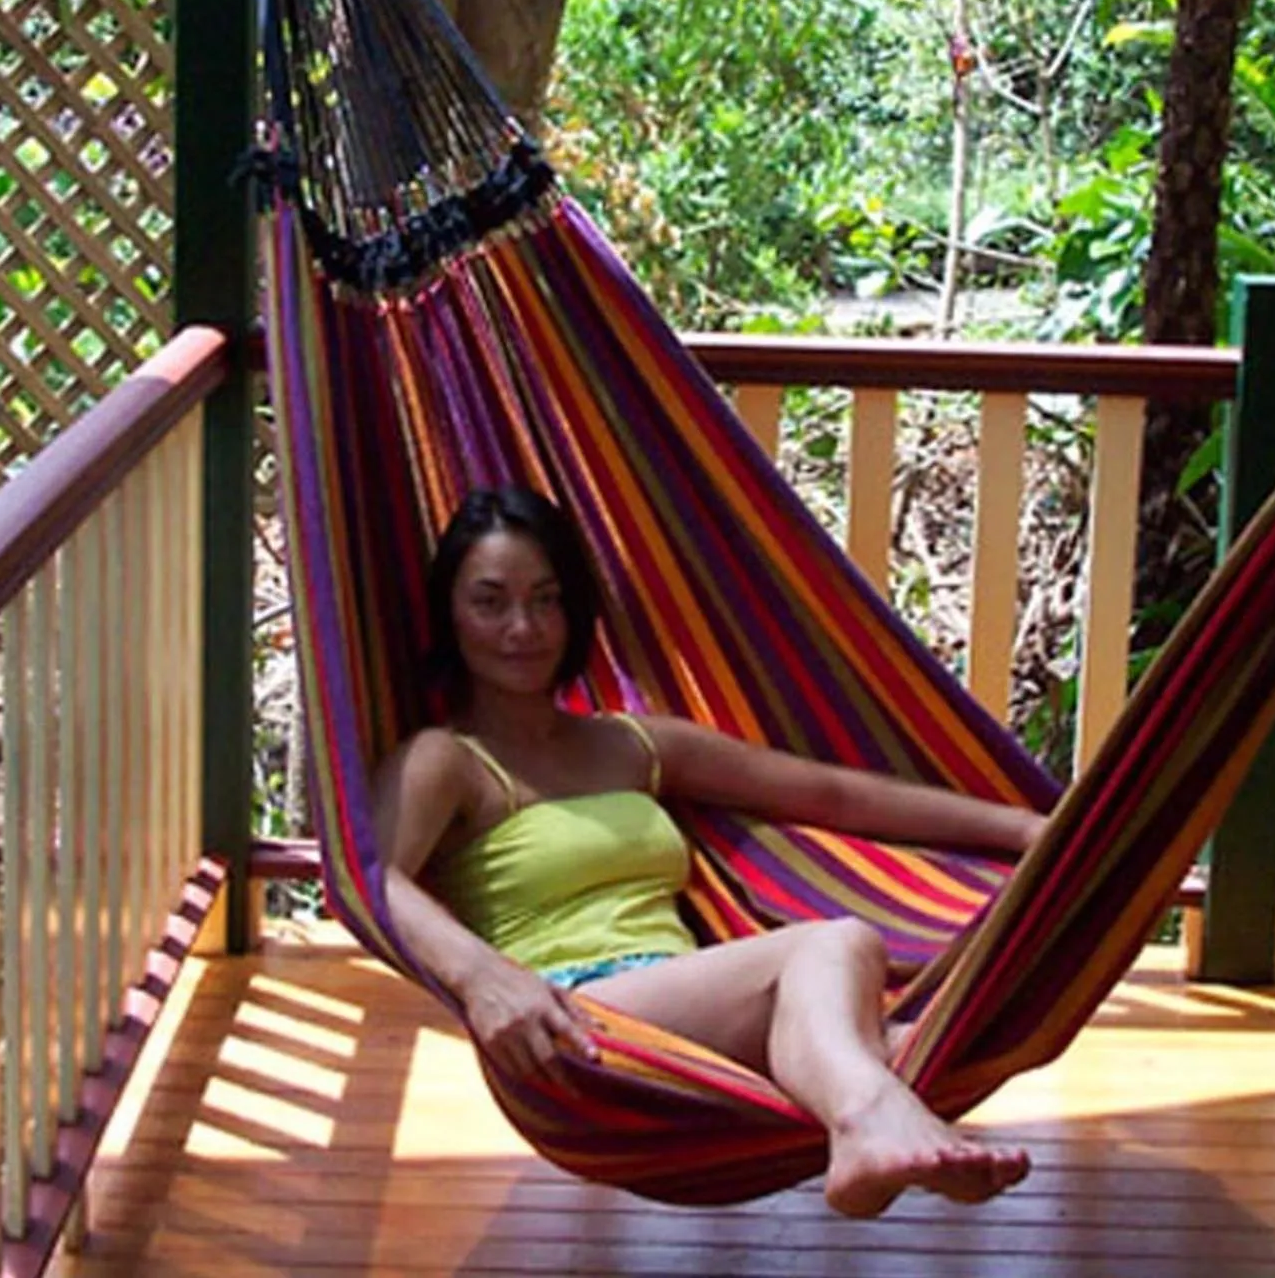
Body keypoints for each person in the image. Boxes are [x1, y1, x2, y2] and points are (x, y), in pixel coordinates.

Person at [373, 485, 1046, 1218]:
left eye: (546, 599)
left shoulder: (631, 744)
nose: (522, 627)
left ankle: (877, 1117)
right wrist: (482, 978)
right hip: (570, 1025)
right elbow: (370, 879)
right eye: (490, 601)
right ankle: (868, 1122)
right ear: (450, 614)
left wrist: (1023, 831)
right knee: (836, 946)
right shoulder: (447, 761)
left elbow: (828, 795)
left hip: (688, 1015)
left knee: (914, 1039)